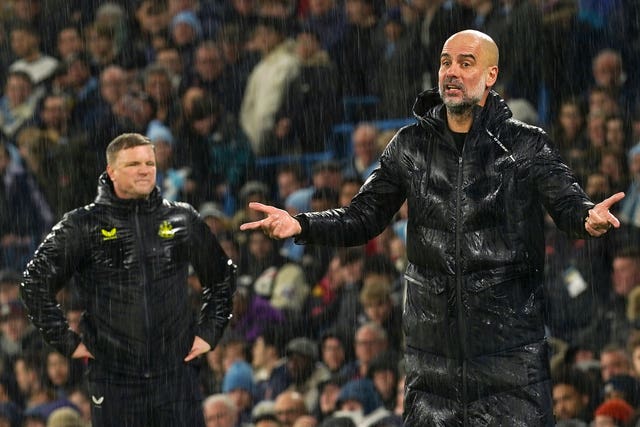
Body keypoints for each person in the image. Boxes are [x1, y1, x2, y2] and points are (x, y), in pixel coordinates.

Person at [240, 29, 625, 425]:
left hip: (510, 363)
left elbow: (566, 203)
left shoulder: (526, 145)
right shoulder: (408, 146)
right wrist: (301, 225)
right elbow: (363, 216)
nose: (451, 72)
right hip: (431, 370)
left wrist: (585, 217)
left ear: (490, 75)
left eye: (465, 63)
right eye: (445, 62)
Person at [21, 133, 236, 426]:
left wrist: (209, 332)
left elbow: (221, 277)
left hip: (175, 377)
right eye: (134, 163)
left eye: (150, 162)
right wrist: (66, 341)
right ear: (111, 172)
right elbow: (34, 282)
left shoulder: (181, 219)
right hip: (114, 381)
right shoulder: (83, 225)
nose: (145, 169)